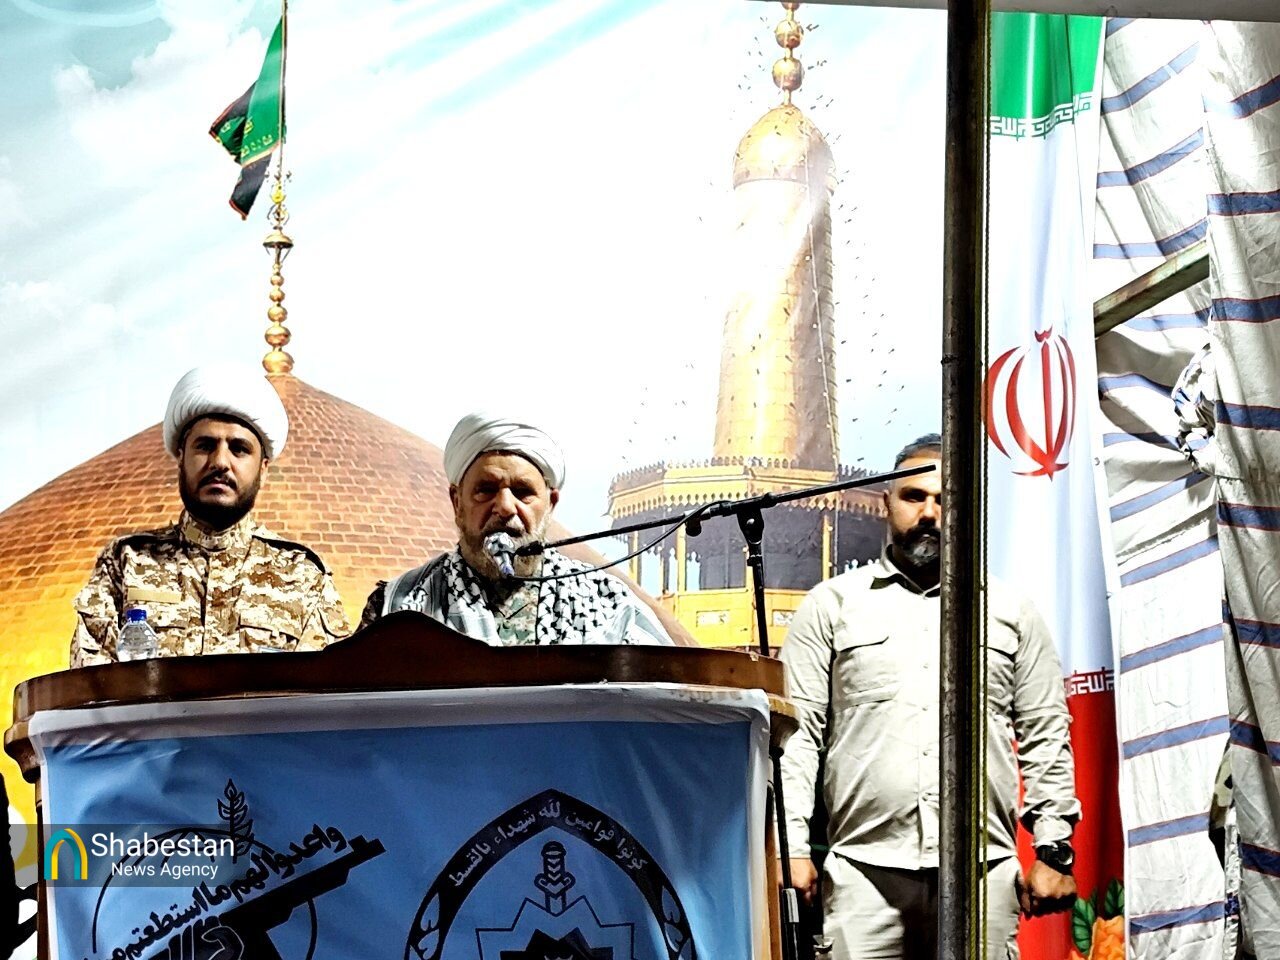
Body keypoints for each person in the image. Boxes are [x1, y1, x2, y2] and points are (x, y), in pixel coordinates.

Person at [779, 433, 1079, 959]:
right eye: (914, 497)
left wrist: (1053, 850)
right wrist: (792, 847)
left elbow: (1046, 734)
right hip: (863, 875)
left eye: (945, 500)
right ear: (886, 503)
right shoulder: (831, 606)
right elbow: (797, 738)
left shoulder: (1010, 611)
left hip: (983, 874)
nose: (929, 514)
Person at [70, 365, 350, 667]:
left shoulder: (303, 577)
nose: (220, 462)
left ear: (263, 469)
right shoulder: (126, 562)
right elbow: (92, 683)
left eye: (239, 449)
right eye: (205, 446)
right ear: (181, 457)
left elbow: (328, 684)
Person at [361, 412, 673, 646]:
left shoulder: (609, 603)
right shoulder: (399, 605)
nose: (505, 507)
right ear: (457, 502)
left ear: (550, 504)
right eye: (486, 490)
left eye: (522, 492)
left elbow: (668, 698)